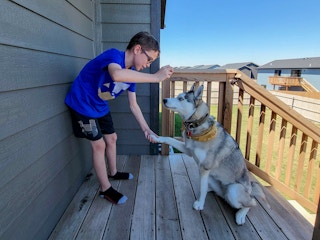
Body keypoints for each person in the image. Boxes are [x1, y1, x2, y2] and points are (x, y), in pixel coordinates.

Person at [65, 31, 173, 204]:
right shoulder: (114, 55)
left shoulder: (132, 75)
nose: (148, 65)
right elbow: (116, 74)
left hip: (99, 105)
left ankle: (113, 173)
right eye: (149, 60)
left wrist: (146, 129)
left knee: (112, 138)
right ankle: (105, 189)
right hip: (82, 103)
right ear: (138, 49)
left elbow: (133, 105)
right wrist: (155, 78)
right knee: (99, 145)